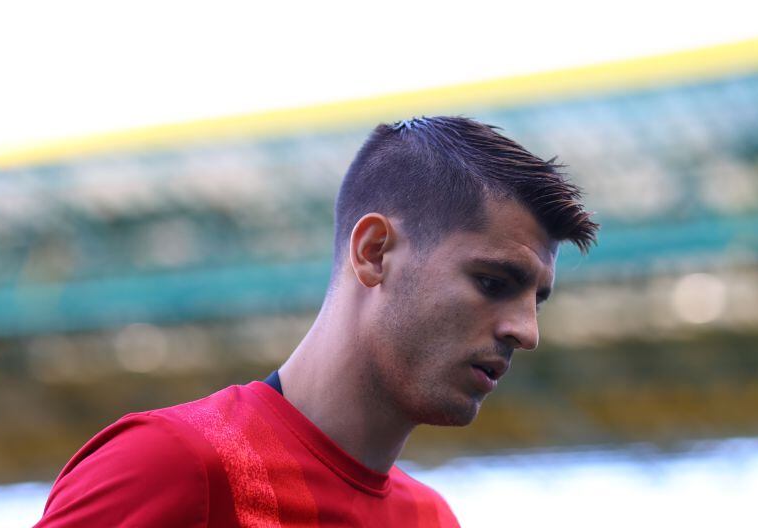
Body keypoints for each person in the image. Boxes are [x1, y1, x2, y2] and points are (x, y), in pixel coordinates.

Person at [36, 116, 598, 527]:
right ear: (374, 252)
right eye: (493, 284)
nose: (526, 332)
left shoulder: (432, 520)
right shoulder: (174, 465)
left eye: (536, 301)